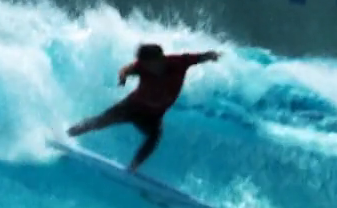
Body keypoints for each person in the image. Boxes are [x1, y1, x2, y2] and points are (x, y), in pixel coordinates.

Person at [67, 44, 222, 172]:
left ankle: (132, 168)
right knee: (99, 122)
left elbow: (200, 57)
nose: (145, 67)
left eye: (148, 64)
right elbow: (126, 69)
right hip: (132, 107)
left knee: (154, 137)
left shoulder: (179, 62)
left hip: (153, 116)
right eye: (143, 64)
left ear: (159, 59)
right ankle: (67, 134)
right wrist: (123, 77)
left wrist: (212, 55)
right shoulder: (142, 66)